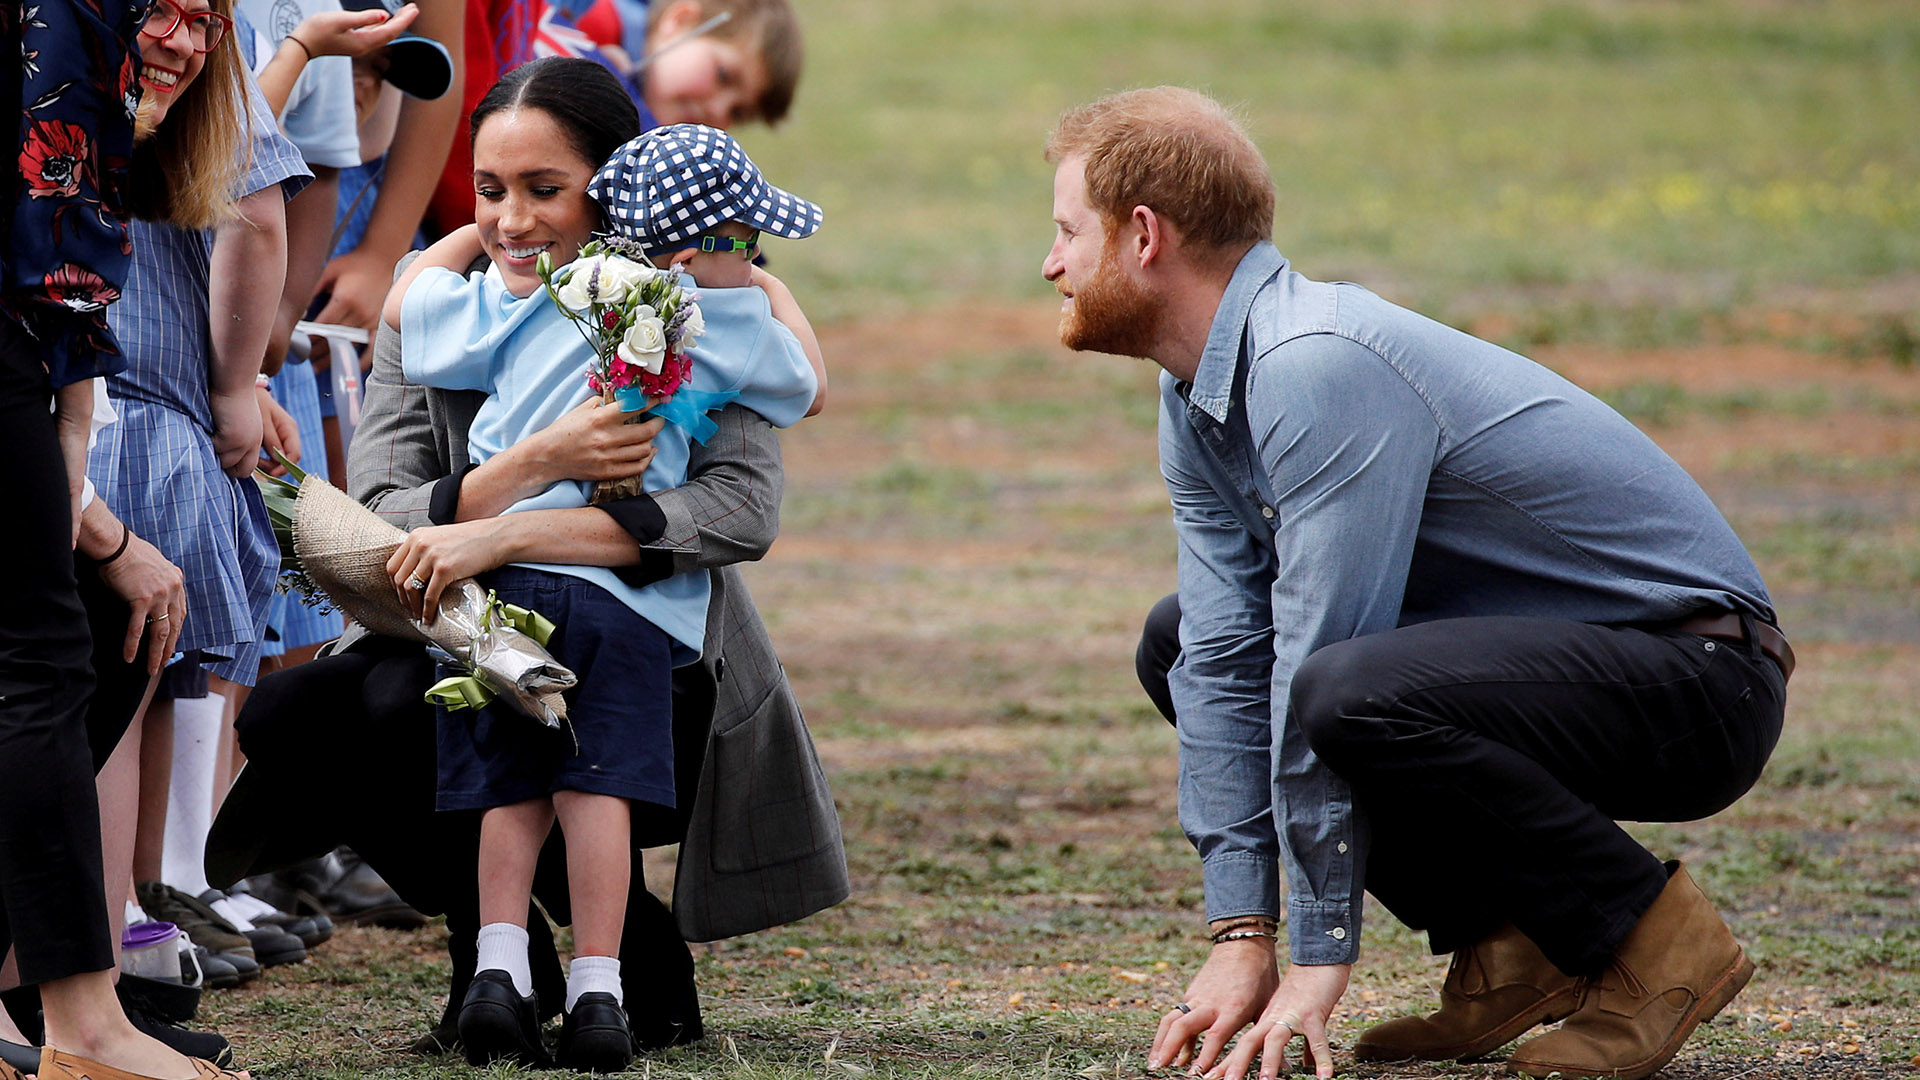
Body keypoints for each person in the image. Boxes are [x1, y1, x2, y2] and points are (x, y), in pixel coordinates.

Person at [1043, 87, 1789, 1080]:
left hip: (1699, 676)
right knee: (1182, 641)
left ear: (1144, 236)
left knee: (1343, 690)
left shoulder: (1314, 364)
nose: (1050, 264)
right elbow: (1225, 654)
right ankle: (1506, 948)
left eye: (1065, 232)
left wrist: (1316, 962)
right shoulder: (1198, 399)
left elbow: (1319, 659)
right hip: (1564, 673)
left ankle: (1656, 944)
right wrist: (1241, 935)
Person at [207, 54, 846, 1067]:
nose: (512, 220)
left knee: (538, 716)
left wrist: (507, 535)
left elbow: (737, 510)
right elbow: (380, 511)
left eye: (546, 190)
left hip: (655, 652)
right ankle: (508, 961)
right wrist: (537, 465)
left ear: (615, 190)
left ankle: (609, 954)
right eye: (491, 190)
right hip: (458, 620)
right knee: (313, 714)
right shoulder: (464, 308)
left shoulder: (692, 307)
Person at [384, 115, 824, 1070]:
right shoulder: (730, 320)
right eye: (746, 241)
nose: (754, 258)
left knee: (510, 784)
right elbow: (810, 386)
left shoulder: (548, 292)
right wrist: (769, 290)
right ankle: (597, 992)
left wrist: (468, 230)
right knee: (597, 790)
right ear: (693, 248)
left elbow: (405, 309)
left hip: (500, 584)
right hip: (624, 597)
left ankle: (498, 974)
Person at [0, 0, 252, 1072]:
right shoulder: (68, 10)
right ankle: (86, 1027)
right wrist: (89, 499)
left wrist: (91, 520)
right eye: (174, 12)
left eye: (212, 25)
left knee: (96, 625)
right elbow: (54, 239)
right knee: (41, 663)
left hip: (22, 350)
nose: (189, 43)